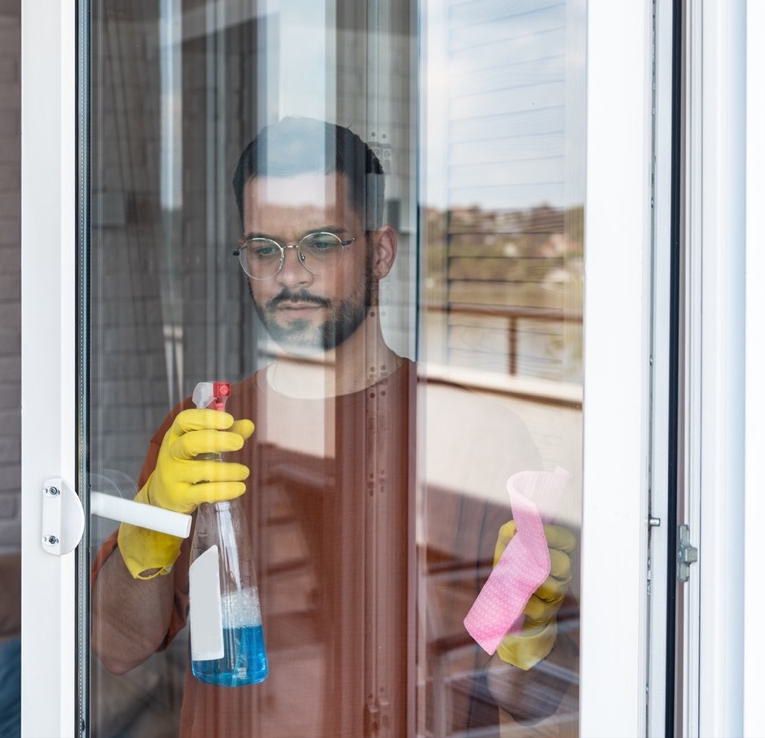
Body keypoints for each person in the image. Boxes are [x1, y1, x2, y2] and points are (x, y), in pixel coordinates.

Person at [91, 117, 577, 736]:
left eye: (320, 242)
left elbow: (535, 698)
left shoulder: (474, 433)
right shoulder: (204, 430)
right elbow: (115, 645)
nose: (289, 274)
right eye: (264, 249)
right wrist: (148, 533)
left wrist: (530, 634)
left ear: (381, 252)